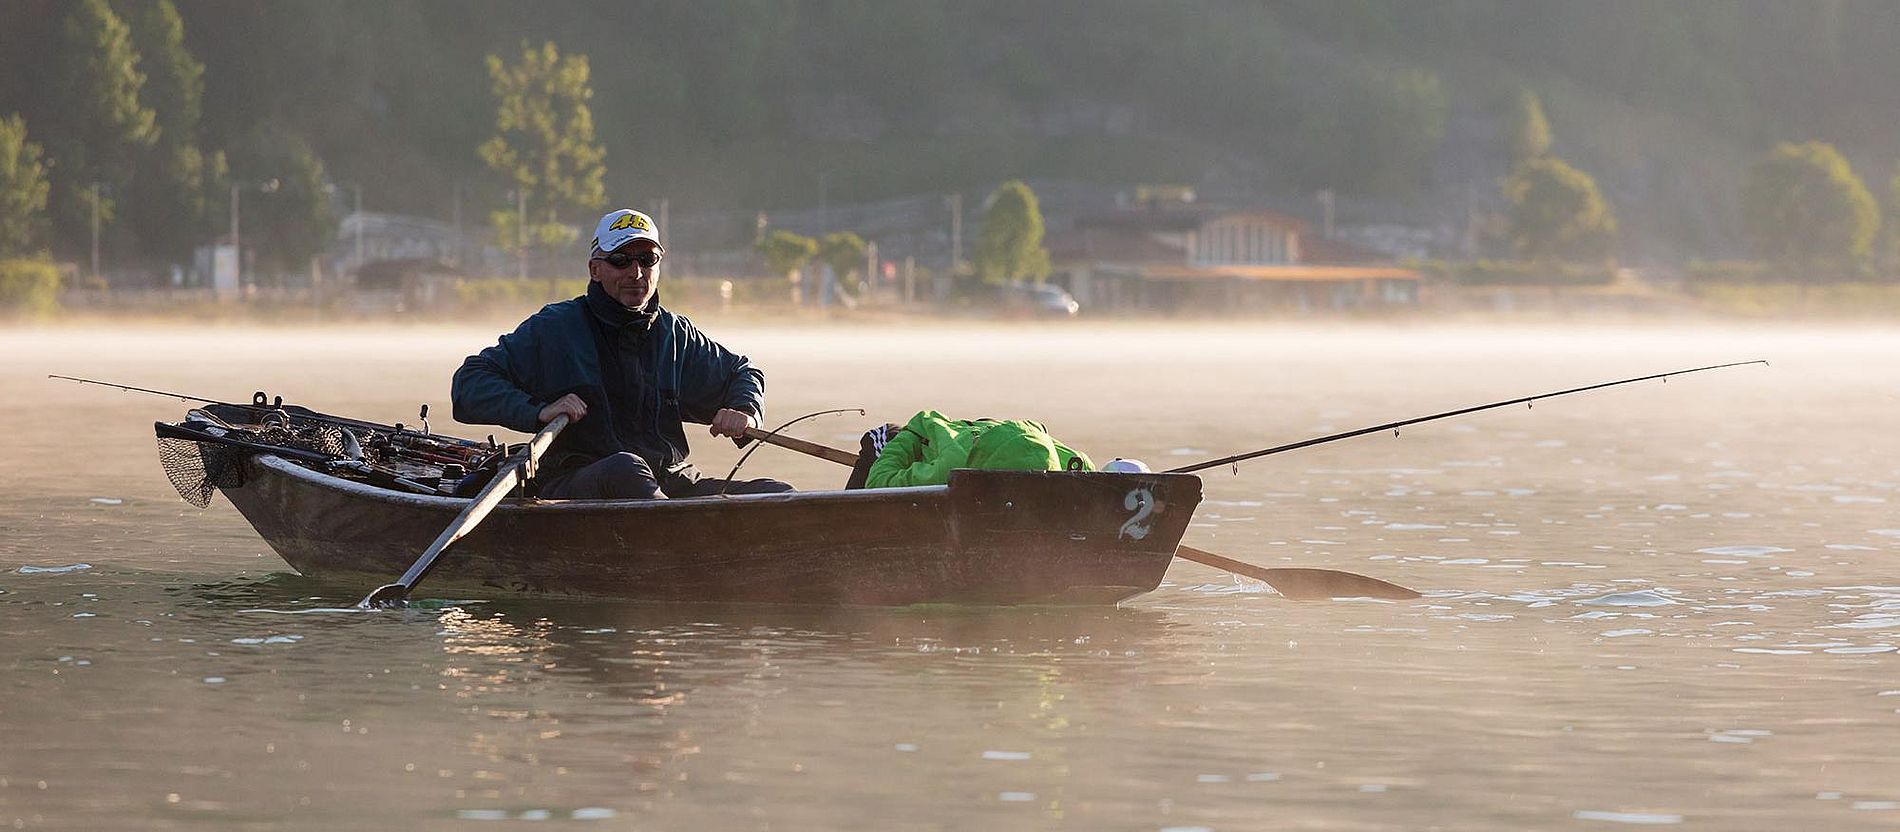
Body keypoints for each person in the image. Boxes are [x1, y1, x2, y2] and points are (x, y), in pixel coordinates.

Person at [452, 208, 793, 500]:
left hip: (669, 483)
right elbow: (469, 383)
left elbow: (742, 373)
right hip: (581, 483)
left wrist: (745, 412)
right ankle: (678, 538)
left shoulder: (676, 334)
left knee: (778, 494)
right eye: (620, 260)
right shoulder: (555, 328)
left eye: (647, 260)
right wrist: (538, 411)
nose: (636, 273)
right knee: (625, 468)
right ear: (595, 269)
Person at [846, 410, 1094, 489]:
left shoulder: (1047, 452)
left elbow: (1091, 470)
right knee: (877, 439)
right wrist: (909, 435)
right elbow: (877, 483)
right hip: (915, 434)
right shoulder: (954, 467)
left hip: (995, 432)